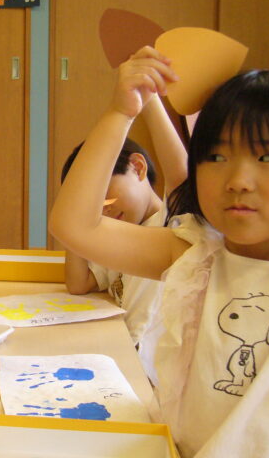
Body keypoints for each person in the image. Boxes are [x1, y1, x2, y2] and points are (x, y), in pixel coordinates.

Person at [49, 53, 269, 457]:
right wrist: (119, 112)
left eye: (267, 157)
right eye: (215, 157)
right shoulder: (195, 254)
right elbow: (74, 225)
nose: (237, 180)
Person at [60, 49, 187, 345]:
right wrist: (81, 208)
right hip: (125, 356)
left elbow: (181, 176)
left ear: (138, 167)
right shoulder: (121, 236)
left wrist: (147, 97)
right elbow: (79, 284)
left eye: (105, 195)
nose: (102, 210)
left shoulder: (173, 222)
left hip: (151, 371)